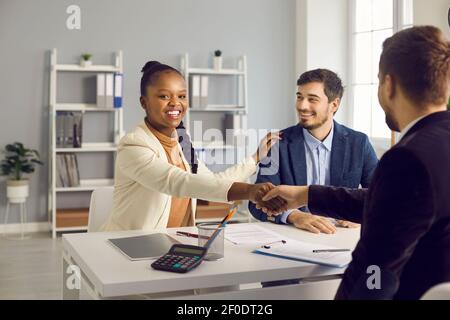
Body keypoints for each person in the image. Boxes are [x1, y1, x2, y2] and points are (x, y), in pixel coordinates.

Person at [259, 26, 450, 300]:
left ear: (389, 84)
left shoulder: (406, 158)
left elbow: (374, 270)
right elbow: (389, 202)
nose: (303, 105)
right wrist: (305, 195)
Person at [101, 61, 282, 231]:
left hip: (178, 242)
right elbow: (176, 182)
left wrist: (255, 158)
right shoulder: (133, 145)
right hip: (133, 246)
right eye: (164, 96)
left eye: (181, 96)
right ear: (144, 102)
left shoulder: (182, 141)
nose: (175, 103)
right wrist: (250, 191)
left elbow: (212, 181)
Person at [249, 69, 378, 234]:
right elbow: (256, 204)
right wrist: (295, 216)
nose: (302, 106)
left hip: (342, 238)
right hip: (293, 238)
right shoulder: (276, 143)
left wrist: (360, 215)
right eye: (299, 97)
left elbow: (381, 197)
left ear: (334, 104)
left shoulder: (359, 143)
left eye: (312, 99)